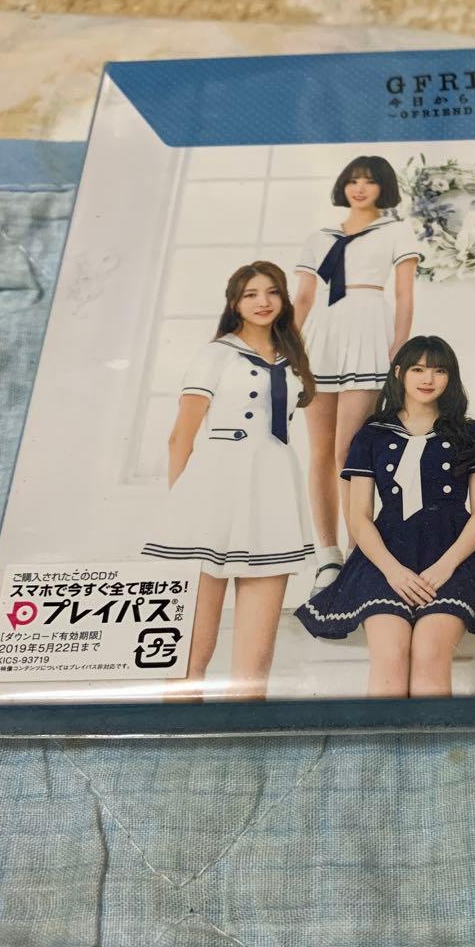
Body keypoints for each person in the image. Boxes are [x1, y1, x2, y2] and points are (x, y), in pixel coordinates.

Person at [294, 336, 475, 698]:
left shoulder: (470, 432)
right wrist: (392, 571)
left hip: (453, 554)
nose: (428, 379)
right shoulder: (372, 434)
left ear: (451, 377)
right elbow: (359, 516)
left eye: (439, 370)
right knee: (390, 655)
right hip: (386, 555)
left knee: (430, 654)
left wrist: (444, 568)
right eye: (418, 369)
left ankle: (431, 739)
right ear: (399, 373)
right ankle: (382, 737)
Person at [142, 261, 315, 701]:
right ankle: (179, 729)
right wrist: (184, 507)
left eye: (272, 292)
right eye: (250, 294)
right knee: (191, 652)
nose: (263, 302)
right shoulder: (215, 355)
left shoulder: (292, 359)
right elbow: (180, 437)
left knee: (254, 666)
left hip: (272, 493)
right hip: (214, 494)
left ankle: (244, 734)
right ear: (234, 302)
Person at [293, 156, 422, 597]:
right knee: (319, 452)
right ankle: (327, 555)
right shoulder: (319, 237)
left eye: (369, 181)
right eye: (352, 180)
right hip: (322, 338)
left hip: (368, 331)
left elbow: (404, 294)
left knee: (348, 451)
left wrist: (399, 349)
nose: (360, 188)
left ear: (383, 186)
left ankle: (358, 551)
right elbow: (304, 297)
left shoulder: (396, 231)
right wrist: (289, 348)